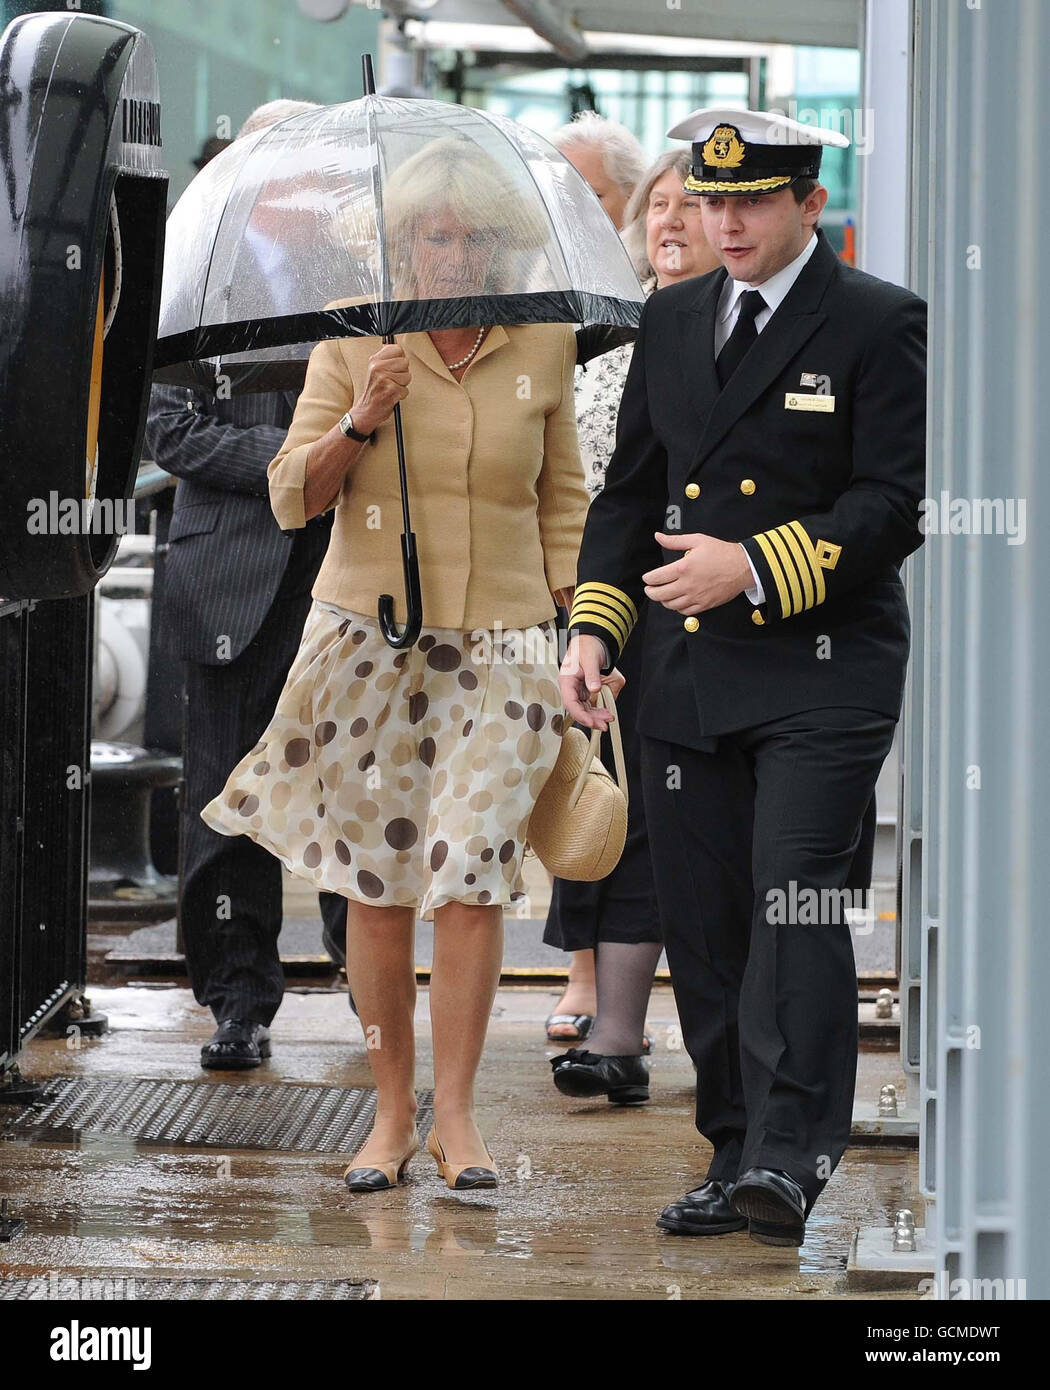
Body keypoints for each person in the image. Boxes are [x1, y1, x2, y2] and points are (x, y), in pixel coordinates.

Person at [559, 108, 926, 1246]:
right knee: (710, 924)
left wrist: (751, 565)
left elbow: (890, 504)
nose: (724, 222)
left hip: (821, 666)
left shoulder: (877, 320)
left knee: (792, 900)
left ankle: (791, 1153)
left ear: (810, 204)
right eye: (711, 201)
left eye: (751, 201)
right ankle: (731, 1147)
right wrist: (594, 632)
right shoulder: (668, 321)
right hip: (686, 669)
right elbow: (629, 496)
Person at [200, 137, 590, 1193]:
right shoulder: (350, 346)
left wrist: (586, 632)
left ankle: (457, 1120)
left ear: (498, 246)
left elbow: (564, 503)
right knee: (375, 889)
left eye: (470, 236)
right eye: (432, 233)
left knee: (470, 884)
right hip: (369, 649)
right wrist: (361, 418)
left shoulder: (544, 341)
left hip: (506, 650)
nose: (451, 253)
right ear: (400, 242)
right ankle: (387, 1116)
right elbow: (293, 495)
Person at [145, 99, 350, 1073]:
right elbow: (168, 430)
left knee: (365, 786)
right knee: (228, 797)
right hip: (234, 575)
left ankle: (372, 986)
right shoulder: (193, 275)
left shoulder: (374, 277)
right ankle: (237, 997)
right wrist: (297, 460)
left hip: (356, 571)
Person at [546, 148, 721, 1105]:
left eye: (692, 206)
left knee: (696, 820)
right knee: (617, 812)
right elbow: (593, 485)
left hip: (725, 605)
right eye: (660, 204)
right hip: (608, 606)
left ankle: (715, 1049)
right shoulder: (606, 332)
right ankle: (615, 1028)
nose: (674, 220)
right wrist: (586, 616)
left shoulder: (740, 333)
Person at [540, 113, 649, 1046]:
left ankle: (637, 986)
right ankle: (581, 967)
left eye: (596, 195)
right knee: (578, 771)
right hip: (572, 575)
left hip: (664, 579)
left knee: (648, 785)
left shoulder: (657, 305)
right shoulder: (551, 297)